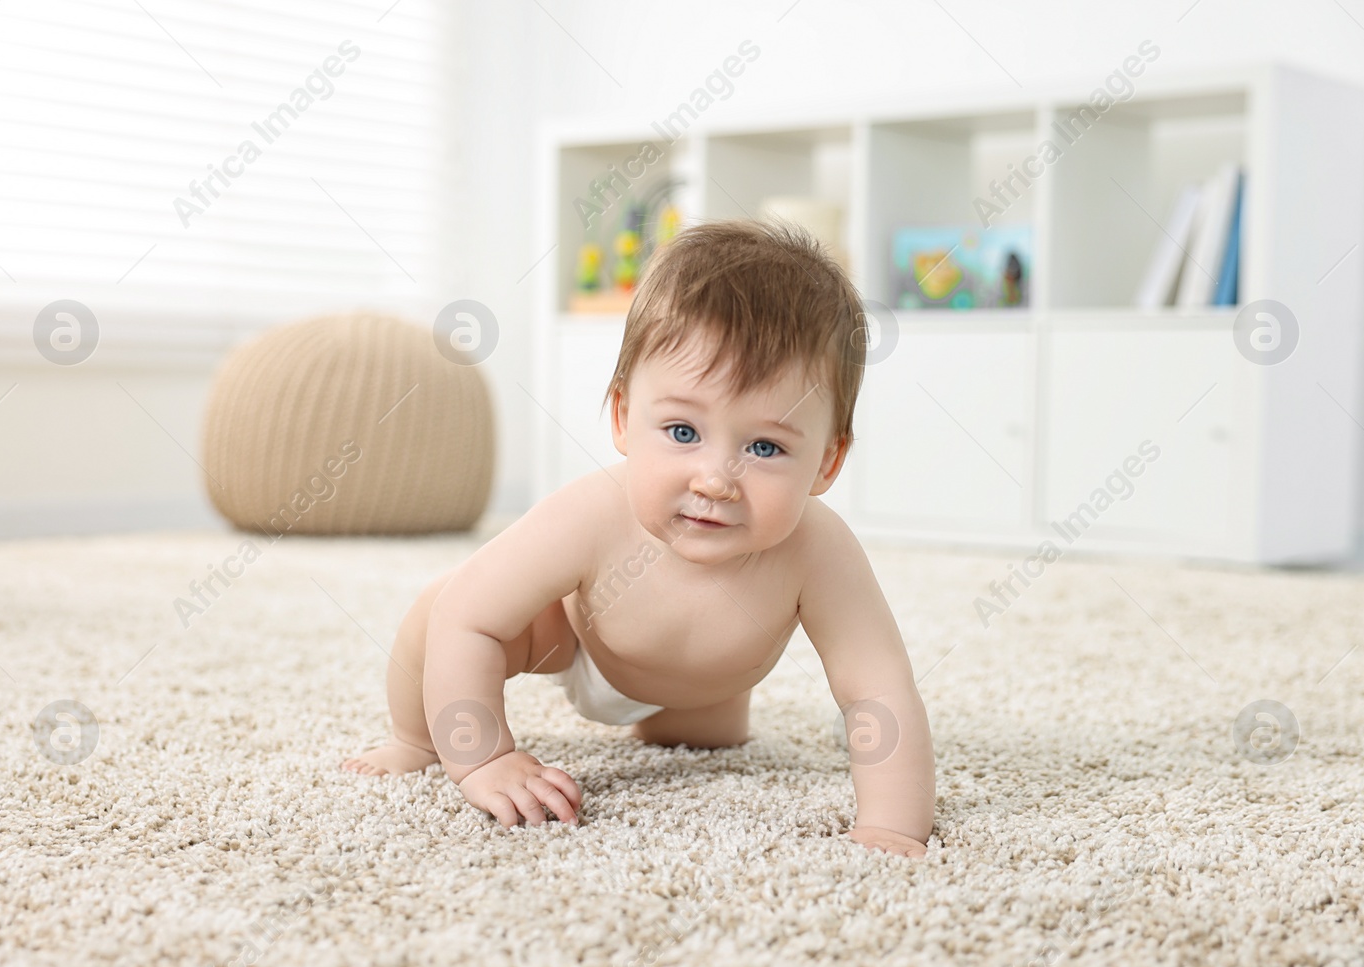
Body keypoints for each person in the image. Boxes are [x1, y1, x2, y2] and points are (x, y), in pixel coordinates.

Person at [343, 218, 935, 857]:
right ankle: (416, 739)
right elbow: (469, 618)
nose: (715, 479)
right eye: (683, 432)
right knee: (444, 606)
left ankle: (674, 719)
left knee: (704, 740)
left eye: (764, 446)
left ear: (826, 462)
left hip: (703, 687)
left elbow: (877, 689)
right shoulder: (592, 514)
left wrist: (892, 826)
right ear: (624, 417)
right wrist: (484, 758)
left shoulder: (821, 553)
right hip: (573, 640)